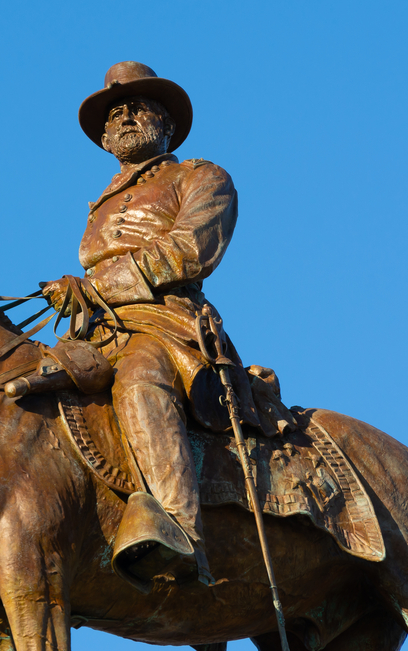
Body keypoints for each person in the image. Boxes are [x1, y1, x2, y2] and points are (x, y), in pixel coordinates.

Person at [41, 62, 258, 586]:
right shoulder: (100, 205)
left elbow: (191, 249)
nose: (124, 117)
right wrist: (76, 290)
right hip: (96, 329)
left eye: (137, 107)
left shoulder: (201, 177)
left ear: (166, 122)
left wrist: (100, 285)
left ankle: (181, 529)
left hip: (165, 324)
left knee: (140, 378)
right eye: (115, 113)